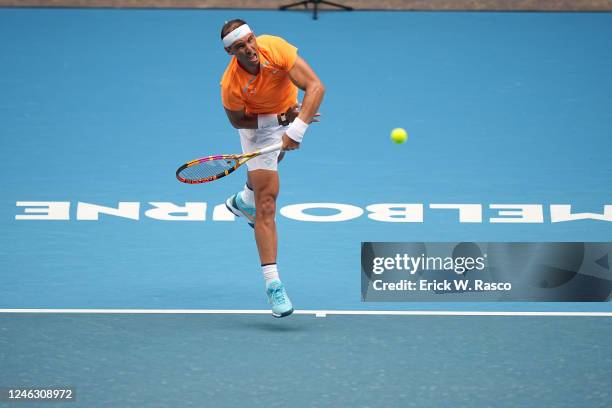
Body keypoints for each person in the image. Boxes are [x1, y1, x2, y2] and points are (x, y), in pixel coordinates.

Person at [219, 19, 325, 317]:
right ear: (232, 53)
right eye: (240, 46)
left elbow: (315, 87)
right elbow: (237, 121)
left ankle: (244, 201)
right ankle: (273, 284)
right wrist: (279, 123)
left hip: (288, 114)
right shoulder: (231, 84)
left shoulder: (274, 47)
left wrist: (295, 128)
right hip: (257, 127)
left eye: (250, 40)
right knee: (268, 202)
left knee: (272, 167)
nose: (249, 49)